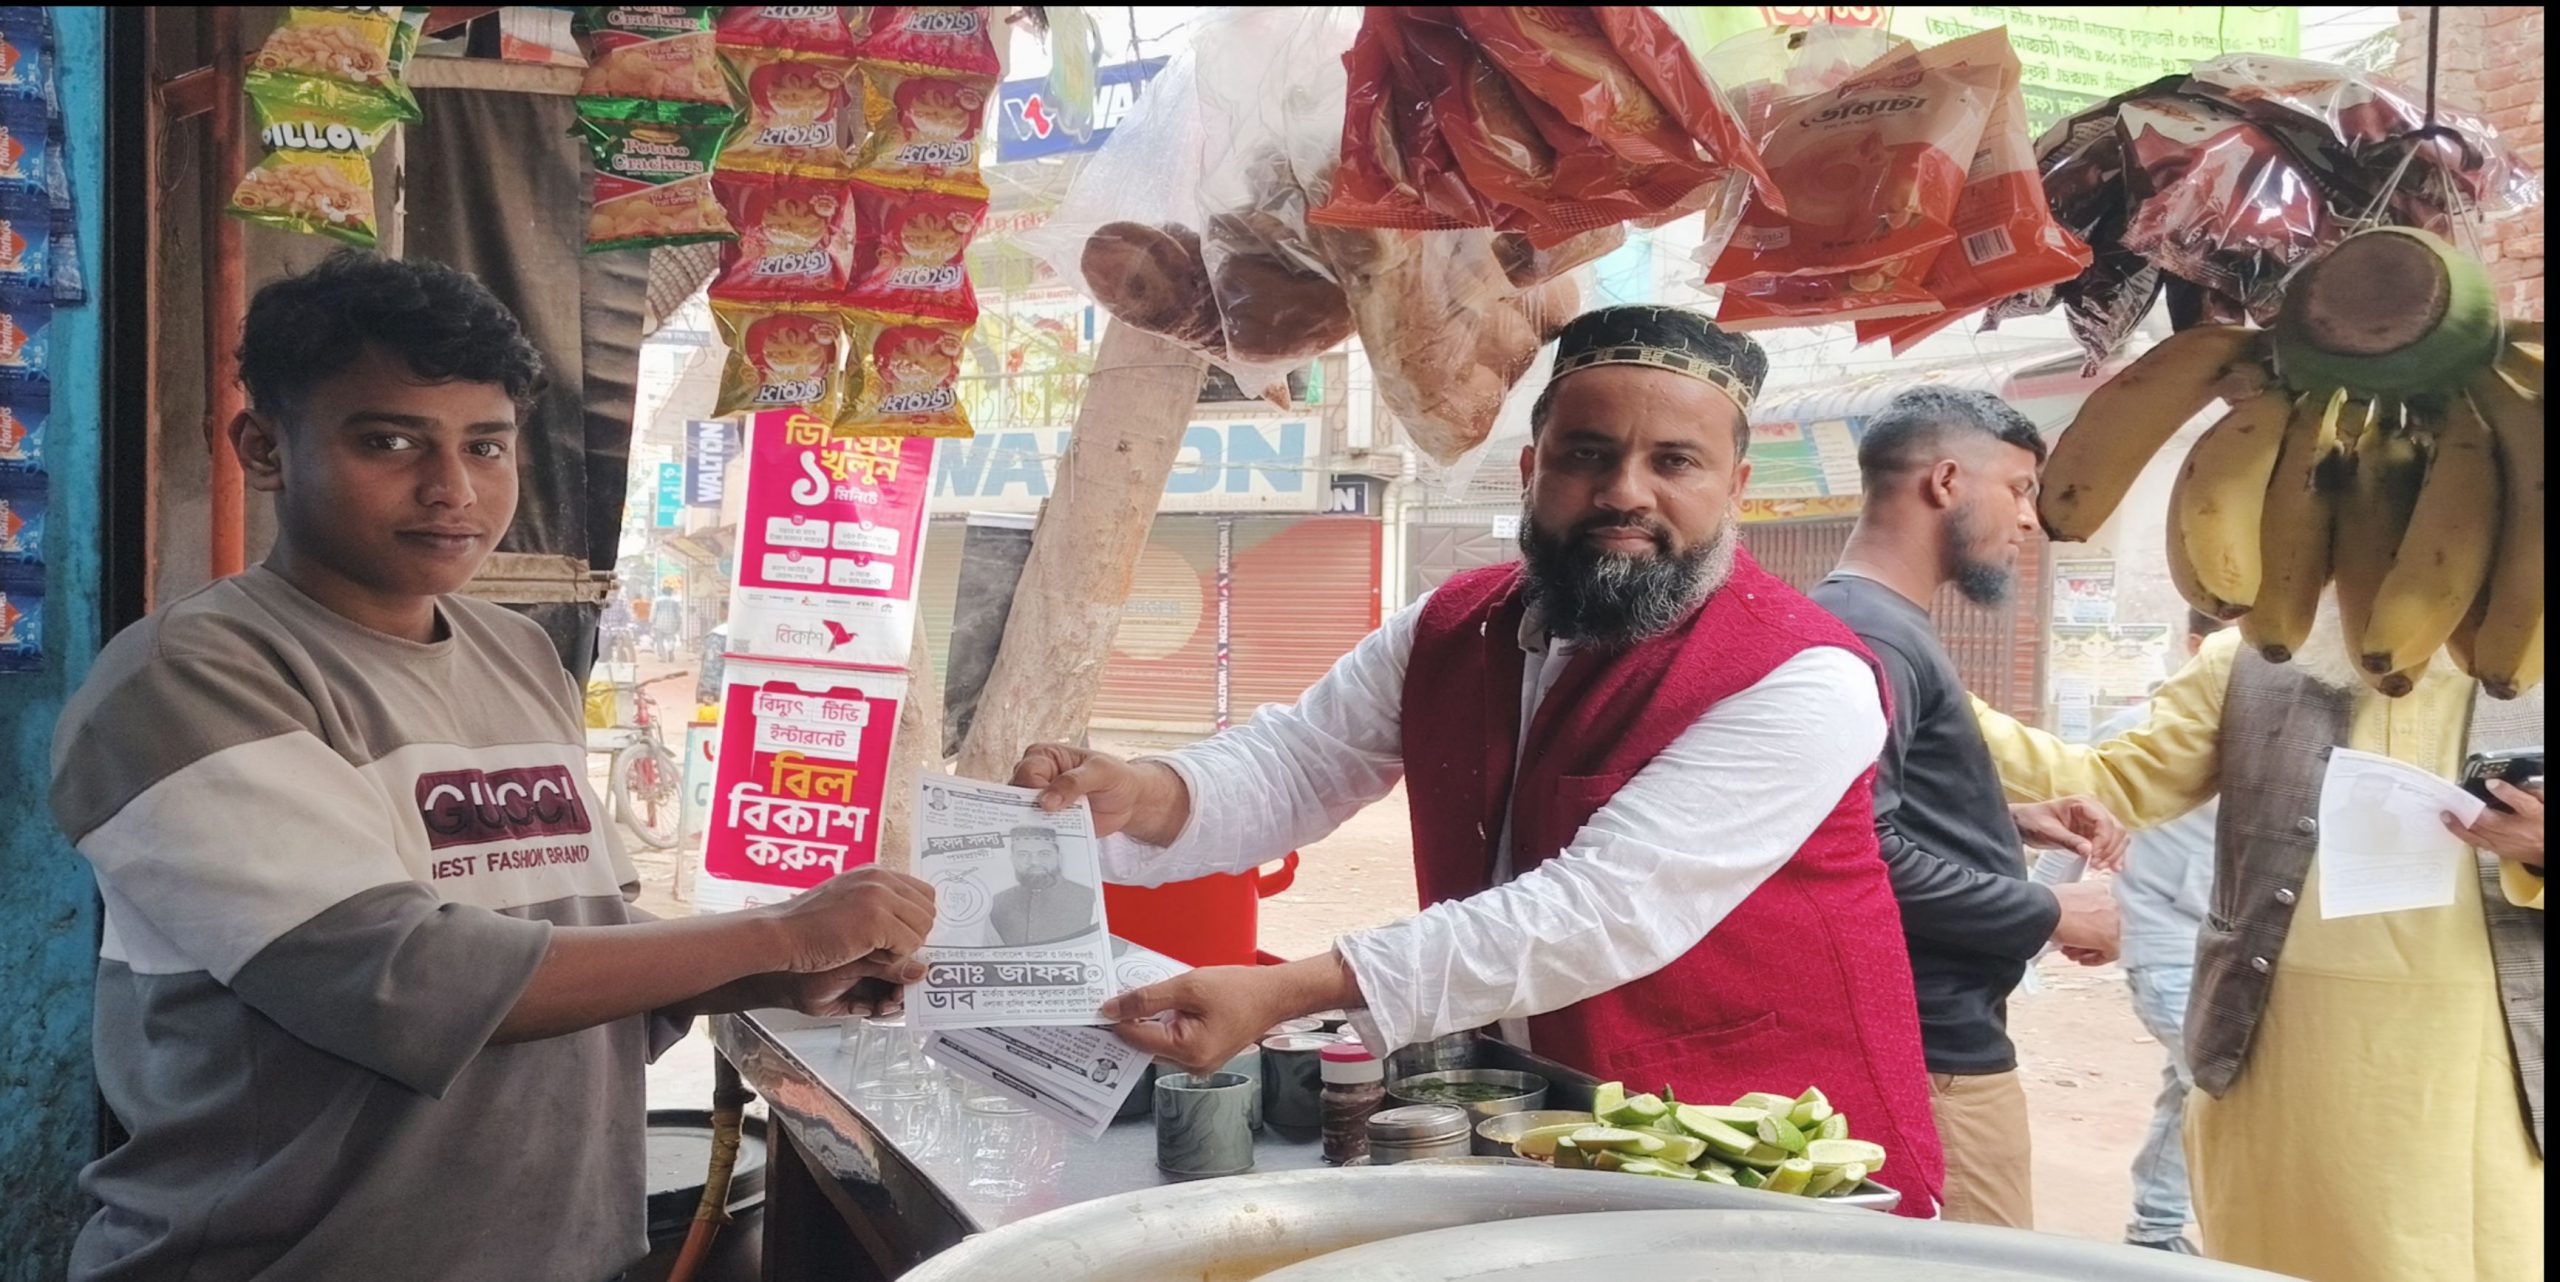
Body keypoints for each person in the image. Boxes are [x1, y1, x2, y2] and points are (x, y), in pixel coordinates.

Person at [48, 252, 936, 1282]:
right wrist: (778, 929)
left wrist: (779, 972)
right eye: (388, 441)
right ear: (266, 449)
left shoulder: (515, 653)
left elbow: (581, 944)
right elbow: (404, 982)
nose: (452, 489)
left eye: (486, 445)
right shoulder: (191, 676)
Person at [1014, 306, 1948, 1216]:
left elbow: (1598, 909)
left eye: (1675, 461)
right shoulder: (1454, 624)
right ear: (1533, 469)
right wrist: (1143, 794)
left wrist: (1291, 990)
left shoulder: (1805, 675)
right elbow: (1300, 761)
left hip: (1770, 1158)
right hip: (1545, 1125)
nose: (1625, 492)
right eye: (1588, 455)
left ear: (1735, 485)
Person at [1973, 593, 2542, 1282]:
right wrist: (1937, 693)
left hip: (2489, 1066)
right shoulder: (2249, 661)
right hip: (2280, 1056)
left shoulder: (2533, 655)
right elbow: (2111, 785)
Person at [1805, 387, 2129, 1228]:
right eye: (2019, 489)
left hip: (1934, 1037)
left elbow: (1865, 812)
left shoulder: (1872, 620)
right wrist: (2052, 911)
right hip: (1934, 1053)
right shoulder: (1872, 635)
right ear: (1946, 481)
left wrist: (2007, 817)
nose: (2028, 520)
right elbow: (1851, 852)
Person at [2086, 611, 2226, 1255]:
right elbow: (2073, 825)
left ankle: (2156, 1227)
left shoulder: (2255, 733)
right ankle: (2175, 1229)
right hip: (2165, 948)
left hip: (2228, 949)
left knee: (2188, 1084)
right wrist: (2038, 930)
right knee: (2218, 1082)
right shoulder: (2134, 731)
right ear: (2198, 647)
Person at [988, 826, 1099, 946]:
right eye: (1023, 855)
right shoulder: (998, 901)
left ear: (1058, 857)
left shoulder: (1089, 897)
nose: (1034, 861)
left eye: (1044, 854)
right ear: (1013, 859)